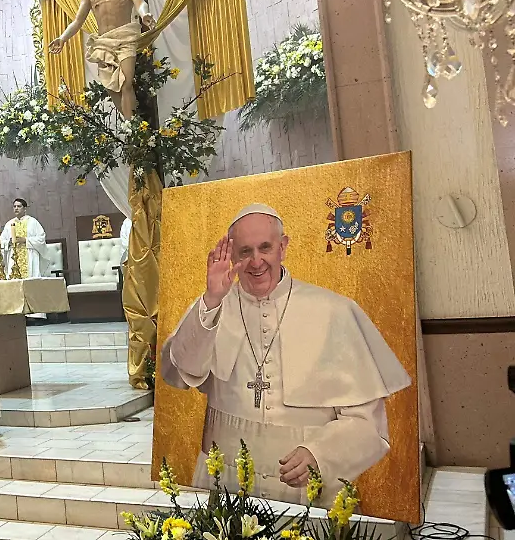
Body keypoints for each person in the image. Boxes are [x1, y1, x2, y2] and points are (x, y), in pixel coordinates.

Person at [159, 203, 411, 503]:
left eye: (265, 247)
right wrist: (212, 299)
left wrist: (320, 453)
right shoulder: (212, 306)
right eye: (244, 251)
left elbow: (369, 425)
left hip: (305, 489)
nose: (256, 262)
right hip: (224, 482)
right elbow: (178, 373)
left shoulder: (334, 311)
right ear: (232, 255)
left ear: (283, 246)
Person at [48, 0, 156, 119]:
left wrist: (145, 14)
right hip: (103, 43)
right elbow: (77, 21)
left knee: (126, 82)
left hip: (125, 38)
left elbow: (140, 2)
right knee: (111, 87)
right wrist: (62, 38)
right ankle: (133, 123)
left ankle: (131, 131)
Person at [0, 198, 48, 281]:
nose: (16, 208)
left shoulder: (33, 222)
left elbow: (41, 238)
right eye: (14, 206)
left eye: (19, 206)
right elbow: (1, 241)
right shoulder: (9, 224)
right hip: (14, 256)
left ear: (25, 209)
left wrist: (25, 240)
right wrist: (9, 242)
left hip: (29, 255)